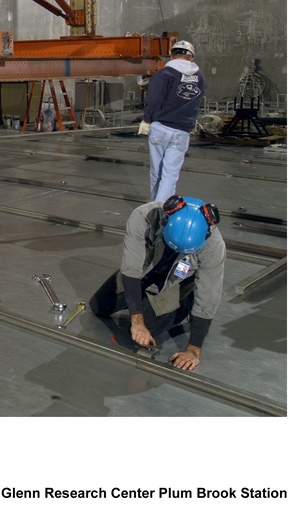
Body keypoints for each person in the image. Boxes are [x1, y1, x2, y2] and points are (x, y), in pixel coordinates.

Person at [88, 196, 224, 371]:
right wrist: (137, 321)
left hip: (175, 282)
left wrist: (193, 349)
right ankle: (144, 302)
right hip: (144, 272)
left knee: (150, 326)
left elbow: (208, 296)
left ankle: (186, 304)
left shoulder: (213, 245)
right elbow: (131, 269)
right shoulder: (143, 216)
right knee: (99, 306)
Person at [137, 40, 205, 202]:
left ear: (171, 55)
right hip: (182, 131)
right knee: (170, 174)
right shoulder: (199, 76)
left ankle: (155, 208)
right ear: (191, 57)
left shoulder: (164, 73)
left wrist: (146, 120)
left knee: (156, 173)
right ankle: (163, 209)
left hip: (161, 128)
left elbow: (154, 99)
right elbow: (196, 99)